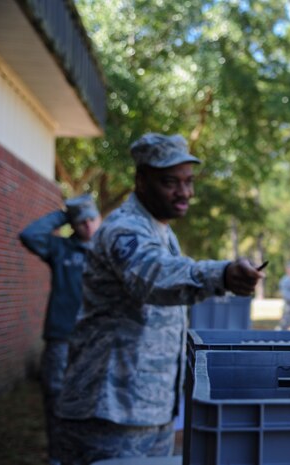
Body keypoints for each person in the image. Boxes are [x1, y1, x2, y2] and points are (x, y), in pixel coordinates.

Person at [55, 133, 265, 465]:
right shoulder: (124, 230)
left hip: (150, 408)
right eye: (170, 182)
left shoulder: (161, 230)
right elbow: (153, 277)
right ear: (141, 180)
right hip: (110, 411)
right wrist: (221, 275)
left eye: (189, 181)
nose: (185, 192)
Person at [19, 194, 101, 465]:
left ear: (100, 219)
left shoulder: (109, 251)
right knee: (55, 395)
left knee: (94, 397)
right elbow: (30, 235)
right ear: (72, 225)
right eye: (80, 222)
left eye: (91, 219)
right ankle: (58, 455)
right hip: (61, 337)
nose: (88, 227)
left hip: (97, 338)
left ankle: (88, 453)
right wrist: (65, 214)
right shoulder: (61, 249)